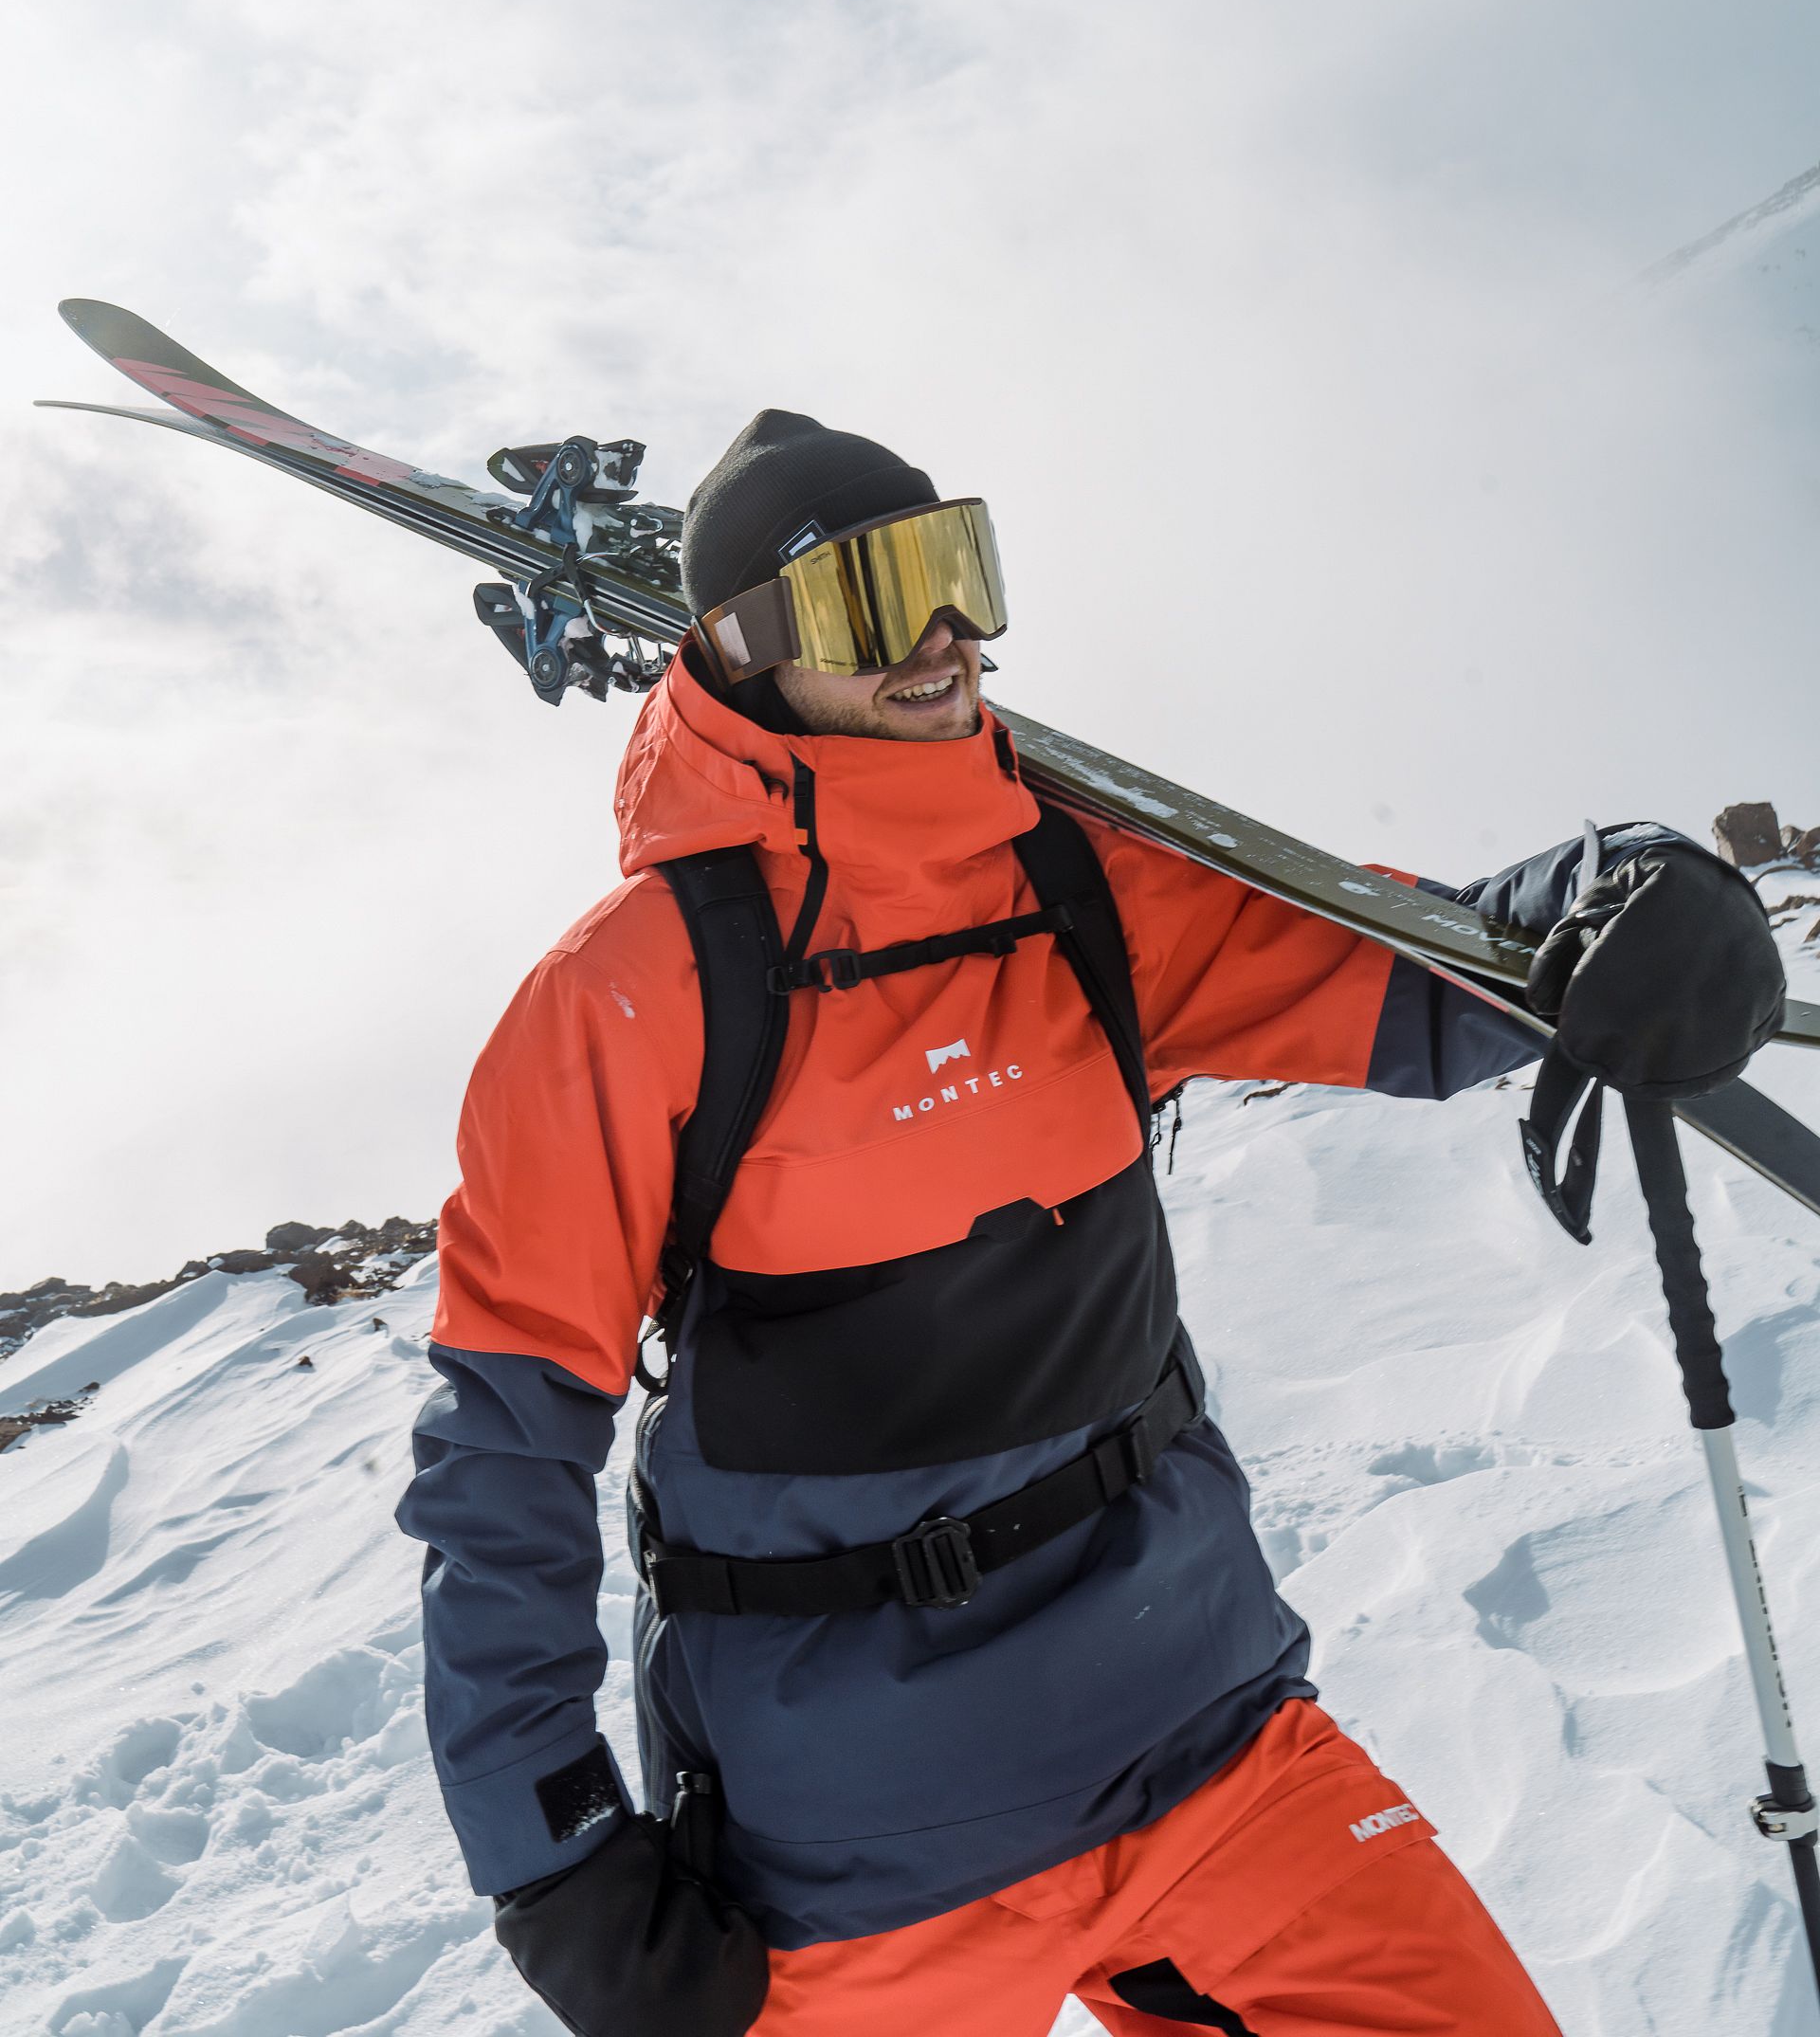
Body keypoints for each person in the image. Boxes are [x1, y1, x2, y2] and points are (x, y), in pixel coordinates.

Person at [397, 411, 1767, 2035]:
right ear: (752, 649)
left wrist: (1620, 891)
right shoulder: (627, 994)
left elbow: (1423, 976)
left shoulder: (1083, 889)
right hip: (858, 1855)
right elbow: (504, 1450)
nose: (945, 633)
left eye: (958, 568)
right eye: (873, 595)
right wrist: (551, 1858)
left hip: (1214, 1740)